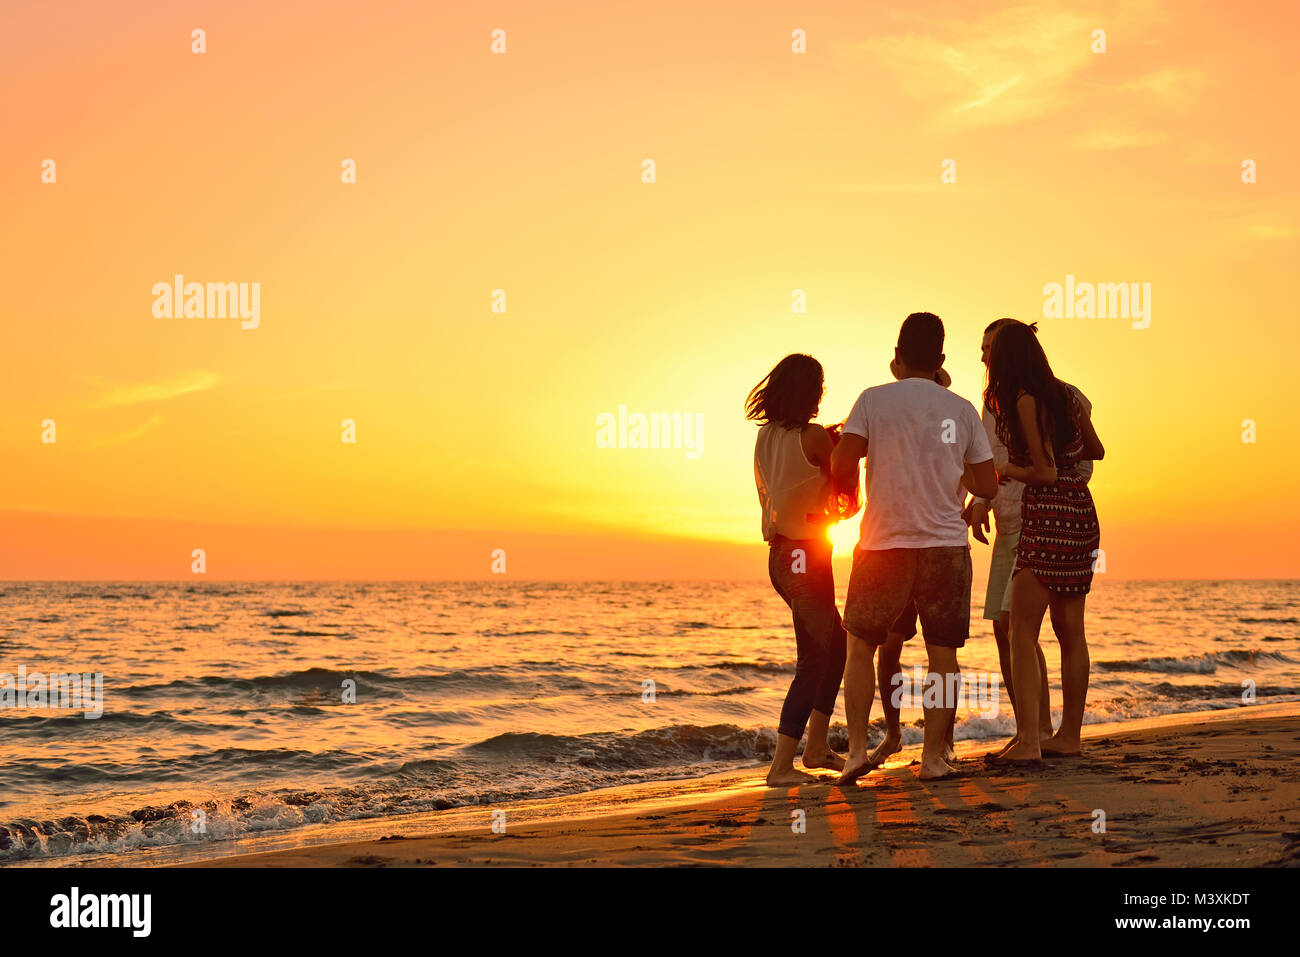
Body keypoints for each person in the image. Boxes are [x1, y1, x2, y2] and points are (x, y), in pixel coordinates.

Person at [831, 313, 997, 782]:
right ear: (941, 360)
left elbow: (844, 462)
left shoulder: (873, 400)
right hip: (945, 543)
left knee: (861, 644)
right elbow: (987, 481)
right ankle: (931, 759)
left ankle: (859, 751)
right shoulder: (961, 408)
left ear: (897, 356)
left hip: (883, 544)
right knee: (942, 652)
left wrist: (853, 487)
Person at [964, 319, 1096, 758]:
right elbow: (1096, 450)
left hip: (1046, 516)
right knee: (1070, 631)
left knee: (1019, 629)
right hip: (1080, 512)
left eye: (992, 352)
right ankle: (1069, 738)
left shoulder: (1022, 398)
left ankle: (1030, 742)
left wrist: (1007, 471)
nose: (986, 360)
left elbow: (1045, 471)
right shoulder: (1069, 396)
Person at [747, 354, 848, 786]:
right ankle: (781, 766)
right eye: (820, 386)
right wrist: (844, 451)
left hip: (781, 557)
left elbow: (792, 482)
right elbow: (845, 501)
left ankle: (818, 747)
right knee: (814, 658)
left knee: (835, 644)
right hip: (807, 556)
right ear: (812, 392)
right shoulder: (815, 439)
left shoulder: (766, 436)